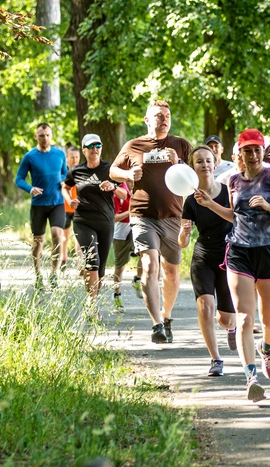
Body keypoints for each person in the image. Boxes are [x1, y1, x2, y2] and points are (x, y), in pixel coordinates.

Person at [195, 128, 270, 402]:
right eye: (247, 150)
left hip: (269, 250)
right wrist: (209, 204)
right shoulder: (233, 181)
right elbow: (235, 216)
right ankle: (250, 377)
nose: (253, 155)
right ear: (240, 154)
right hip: (239, 251)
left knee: (268, 320)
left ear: (261, 151)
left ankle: (267, 348)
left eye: (257, 149)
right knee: (244, 317)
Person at [109, 100, 192, 343]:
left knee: (172, 271)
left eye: (166, 115)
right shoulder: (134, 145)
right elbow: (113, 170)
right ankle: (156, 324)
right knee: (149, 265)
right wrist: (127, 174)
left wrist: (179, 162)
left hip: (173, 216)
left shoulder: (180, 145)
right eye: (158, 116)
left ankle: (166, 316)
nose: (163, 119)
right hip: (142, 214)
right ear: (147, 120)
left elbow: (196, 177)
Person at [179, 146, 237, 377]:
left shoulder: (228, 191)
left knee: (225, 318)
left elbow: (234, 217)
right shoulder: (190, 201)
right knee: (205, 306)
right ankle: (215, 358)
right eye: (199, 162)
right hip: (203, 256)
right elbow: (182, 242)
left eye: (208, 161)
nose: (204, 165)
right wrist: (185, 232)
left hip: (228, 256)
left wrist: (210, 204)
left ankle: (231, 328)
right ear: (193, 167)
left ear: (215, 164)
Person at [63, 134, 118, 313]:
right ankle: (91, 304)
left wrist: (114, 187)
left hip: (106, 221)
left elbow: (125, 189)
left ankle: (93, 297)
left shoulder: (110, 169)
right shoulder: (76, 171)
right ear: (84, 150)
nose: (94, 149)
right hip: (83, 221)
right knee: (91, 260)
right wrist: (70, 201)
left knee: (100, 266)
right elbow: (65, 186)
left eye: (97, 145)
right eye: (90, 146)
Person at [15, 123, 68, 289]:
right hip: (38, 204)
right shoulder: (30, 157)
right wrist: (30, 189)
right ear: (36, 137)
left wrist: (64, 181)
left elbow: (65, 172)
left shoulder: (60, 154)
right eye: (41, 135)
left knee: (57, 235)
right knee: (38, 242)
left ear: (51, 136)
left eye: (47, 135)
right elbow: (19, 179)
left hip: (57, 202)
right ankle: (38, 274)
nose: (45, 138)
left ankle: (54, 273)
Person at [112, 182, 133, 310]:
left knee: (147, 256)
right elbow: (114, 218)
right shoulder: (117, 194)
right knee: (120, 266)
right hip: (121, 232)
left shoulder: (141, 190)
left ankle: (137, 280)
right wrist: (130, 212)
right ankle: (117, 293)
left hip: (138, 228)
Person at [62, 145, 82, 272]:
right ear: (67, 158)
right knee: (64, 237)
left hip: (78, 209)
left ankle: (80, 264)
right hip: (63, 208)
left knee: (79, 237)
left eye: (76, 157)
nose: (74, 160)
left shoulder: (82, 171)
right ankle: (63, 258)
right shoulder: (62, 172)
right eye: (72, 157)